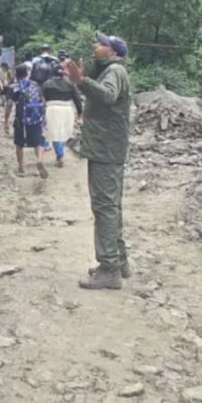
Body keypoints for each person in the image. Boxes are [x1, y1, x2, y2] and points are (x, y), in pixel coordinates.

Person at [64, 32, 132, 290]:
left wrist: (82, 81)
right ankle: (119, 260)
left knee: (104, 207)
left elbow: (107, 96)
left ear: (113, 52)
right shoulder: (111, 70)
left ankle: (109, 269)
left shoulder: (114, 71)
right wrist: (83, 82)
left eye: (102, 44)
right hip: (108, 148)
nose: (96, 45)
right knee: (112, 206)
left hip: (106, 150)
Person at [4, 64, 49, 179]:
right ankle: (39, 161)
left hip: (21, 120)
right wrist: (43, 117)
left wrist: (6, 121)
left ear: (16, 74)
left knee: (19, 144)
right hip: (36, 118)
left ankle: (21, 168)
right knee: (38, 142)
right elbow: (43, 102)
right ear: (27, 73)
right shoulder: (35, 85)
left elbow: (9, 104)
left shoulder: (14, 87)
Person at [42, 66, 83, 168]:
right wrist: (79, 113)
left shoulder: (46, 84)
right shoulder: (70, 84)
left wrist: (42, 113)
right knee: (64, 133)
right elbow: (77, 99)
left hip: (52, 110)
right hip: (67, 110)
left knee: (55, 134)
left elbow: (42, 100)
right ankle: (60, 153)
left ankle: (60, 155)